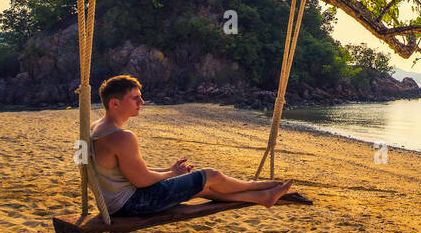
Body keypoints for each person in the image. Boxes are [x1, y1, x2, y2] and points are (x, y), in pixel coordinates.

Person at [89, 74, 292, 218]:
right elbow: (142, 181)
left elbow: (131, 173)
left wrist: (169, 169)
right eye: (135, 98)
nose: (142, 101)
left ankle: (263, 196)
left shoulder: (95, 128)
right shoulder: (122, 137)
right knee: (211, 176)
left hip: (114, 204)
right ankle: (259, 185)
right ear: (115, 104)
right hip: (133, 204)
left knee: (203, 189)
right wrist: (173, 174)